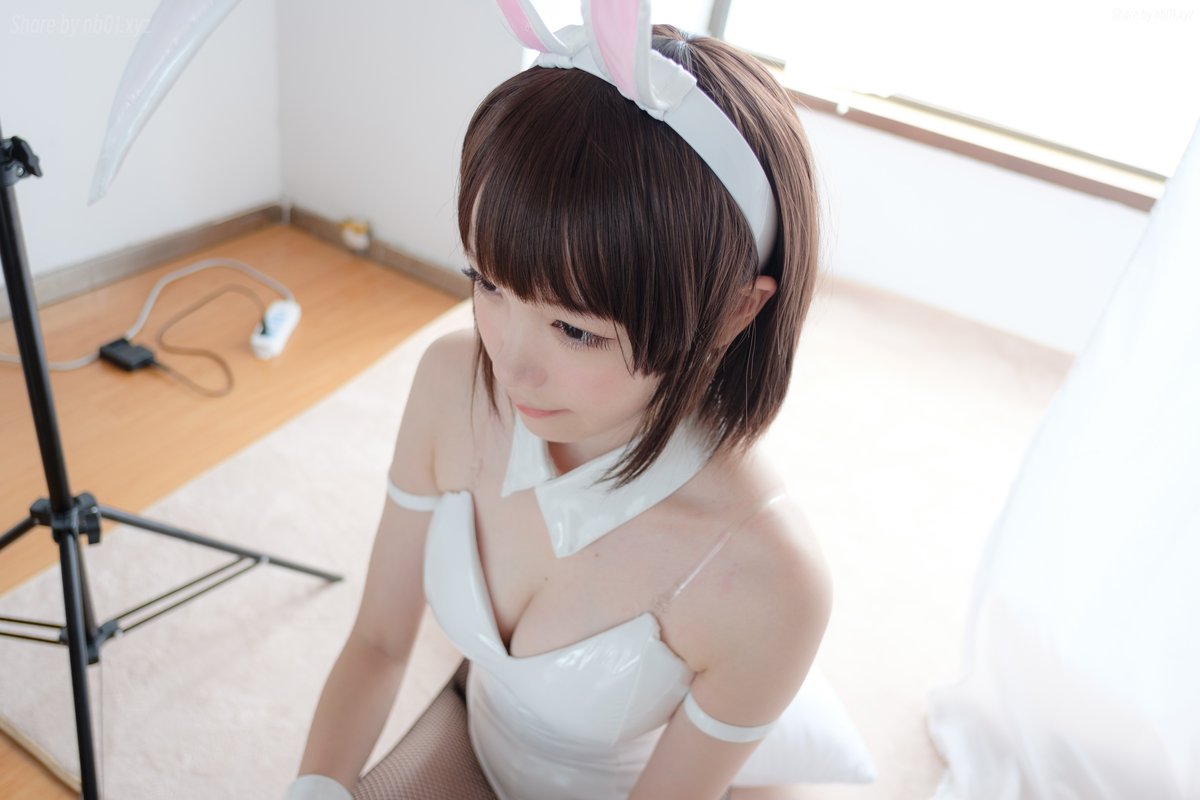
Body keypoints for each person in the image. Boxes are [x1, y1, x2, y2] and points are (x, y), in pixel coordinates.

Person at [287, 4, 831, 799]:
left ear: (732, 313)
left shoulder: (768, 578)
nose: (510, 366)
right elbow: (377, 641)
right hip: (474, 729)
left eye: (576, 331)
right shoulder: (452, 379)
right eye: (487, 283)